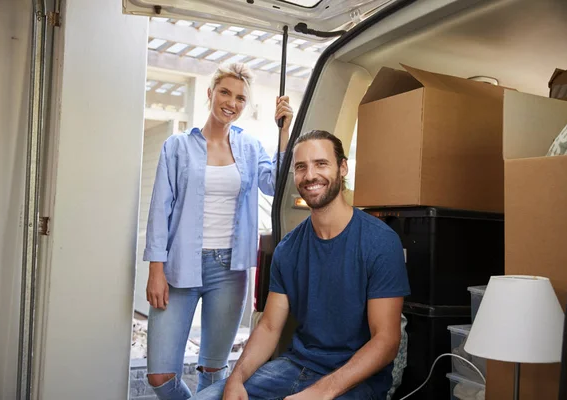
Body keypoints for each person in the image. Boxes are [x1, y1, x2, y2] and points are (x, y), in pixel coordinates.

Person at [192, 130, 411, 400]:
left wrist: (320, 393)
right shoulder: (288, 249)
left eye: (321, 164)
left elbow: (386, 341)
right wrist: (236, 379)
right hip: (294, 367)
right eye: (300, 167)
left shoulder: (380, 242)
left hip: (355, 379)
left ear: (342, 168)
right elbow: (270, 326)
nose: (310, 176)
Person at [143, 62, 293, 400]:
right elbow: (159, 211)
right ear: (211, 93)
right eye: (225, 92)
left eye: (240, 98)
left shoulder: (250, 148)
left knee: (213, 371)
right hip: (178, 267)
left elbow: (275, 184)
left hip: (230, 270)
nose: (232, 102)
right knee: (160, 375)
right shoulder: (177, 147)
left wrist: (284, 133)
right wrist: (156, 269)